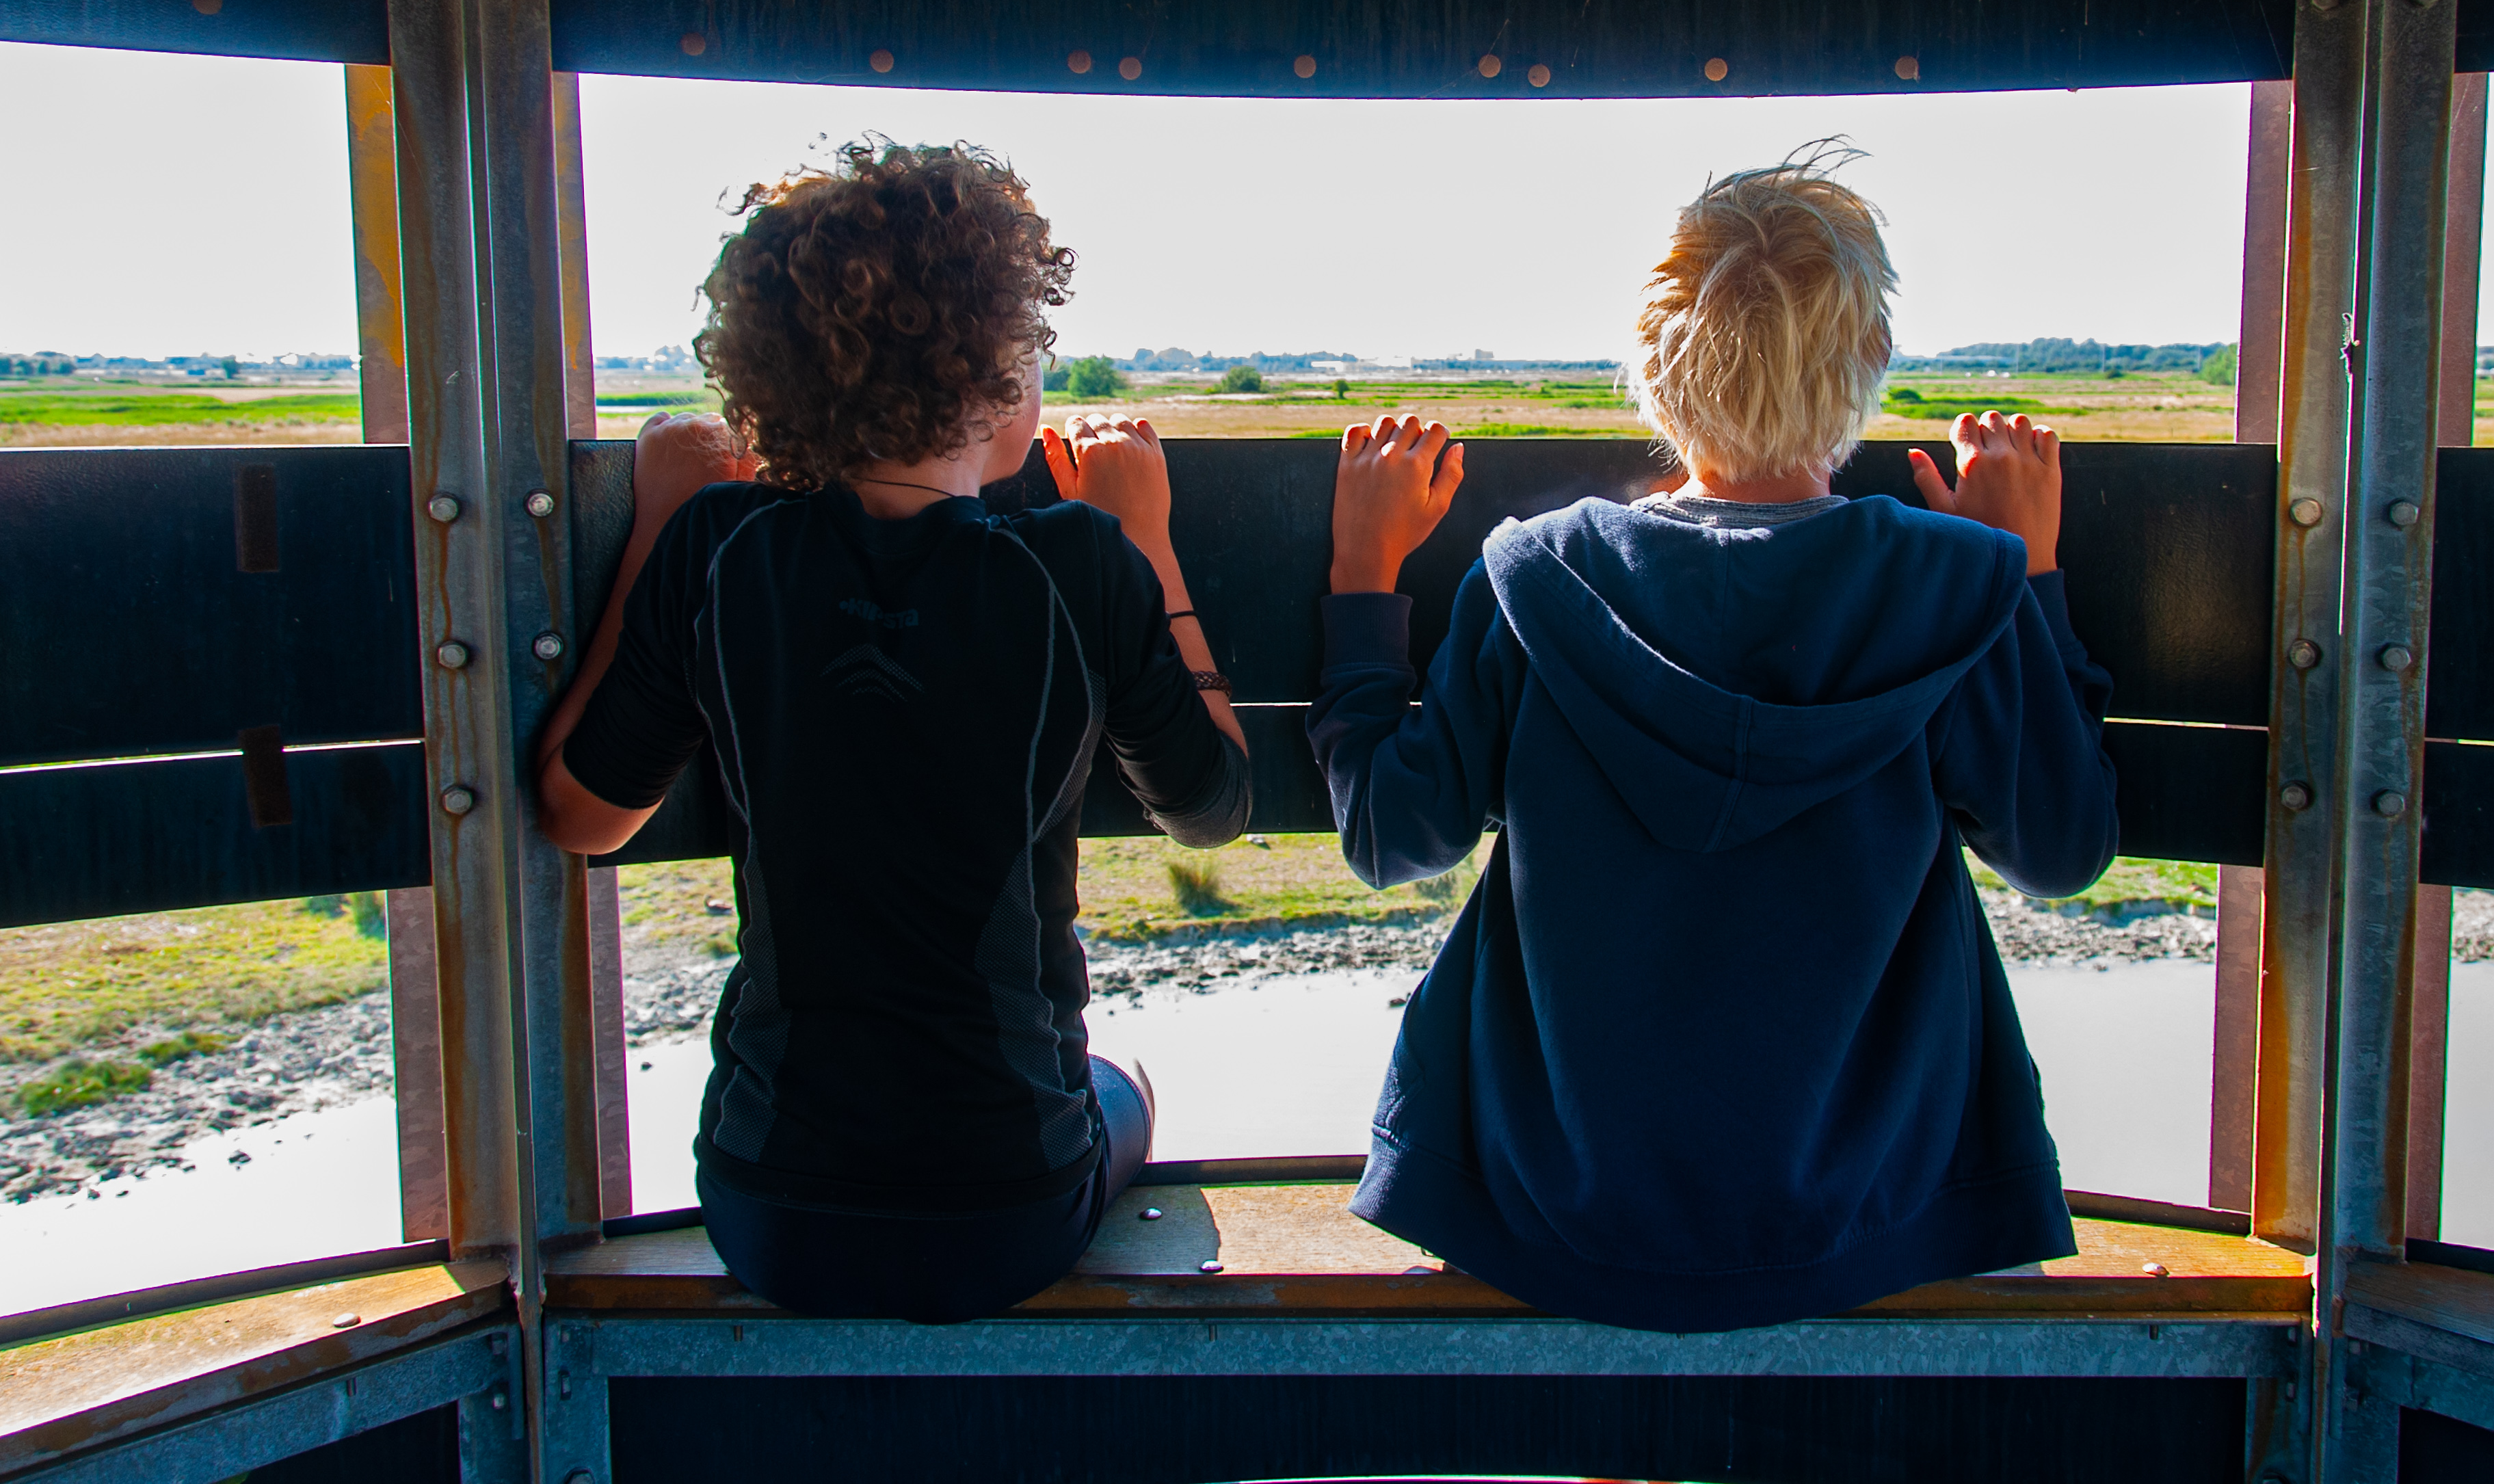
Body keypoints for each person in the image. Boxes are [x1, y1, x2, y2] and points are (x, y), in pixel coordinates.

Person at [1308, 146, 2118, 1333]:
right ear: (1866, 370)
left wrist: (1362, 577)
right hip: (1876, 1199)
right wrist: (2028, 576)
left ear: (1651, 371)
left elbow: (1392, 837)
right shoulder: (1954, 581)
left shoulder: (1538, 576)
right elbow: (2060, 848)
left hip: (1550, 1198)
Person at [533, 141, 1249, 1323]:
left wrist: (661, 530)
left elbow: (582, 816)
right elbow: (1208, 806)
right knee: (1126, 1081)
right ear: (994, 370)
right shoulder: (1075, 563)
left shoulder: (721, 547)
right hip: (1005, 1209)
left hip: (771, 1205)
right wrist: (1144, 535)